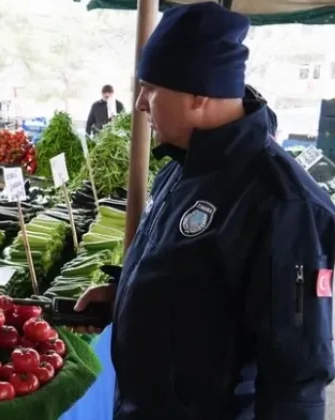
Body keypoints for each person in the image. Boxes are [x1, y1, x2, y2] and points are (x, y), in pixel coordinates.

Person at [74, 3, 335, 419]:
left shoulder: (283, 204)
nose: (140, 103)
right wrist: (123, 295)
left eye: (151, 88)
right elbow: (195, 282)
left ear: (200, 94)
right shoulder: (183, 166)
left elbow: (294, 377)